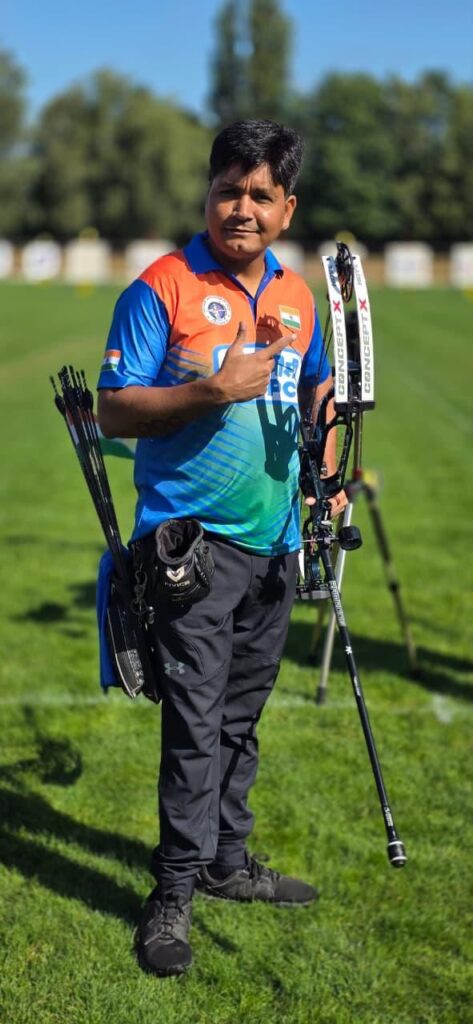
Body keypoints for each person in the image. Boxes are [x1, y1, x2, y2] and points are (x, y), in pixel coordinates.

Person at [97, 119, 347, 977]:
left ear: (286, 208)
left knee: (241, 719)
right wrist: (210, 390)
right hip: (190, 548)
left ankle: (226, 862)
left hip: (276, 544)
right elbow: (113, 409)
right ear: (207, 193)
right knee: (195, 726)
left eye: (259, 194)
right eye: (227, 190)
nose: (241, 207)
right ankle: (172, 891)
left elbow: (317, 386)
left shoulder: (296, 297)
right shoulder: (160, 288)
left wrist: (327, 469)